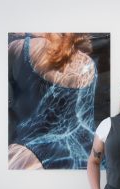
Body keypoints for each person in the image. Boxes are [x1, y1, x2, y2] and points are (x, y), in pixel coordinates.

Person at [8, 33, 97, 169]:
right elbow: (85, 121)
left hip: (27, 155)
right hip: (80, 157)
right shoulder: (89, 65)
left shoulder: (19, 48)